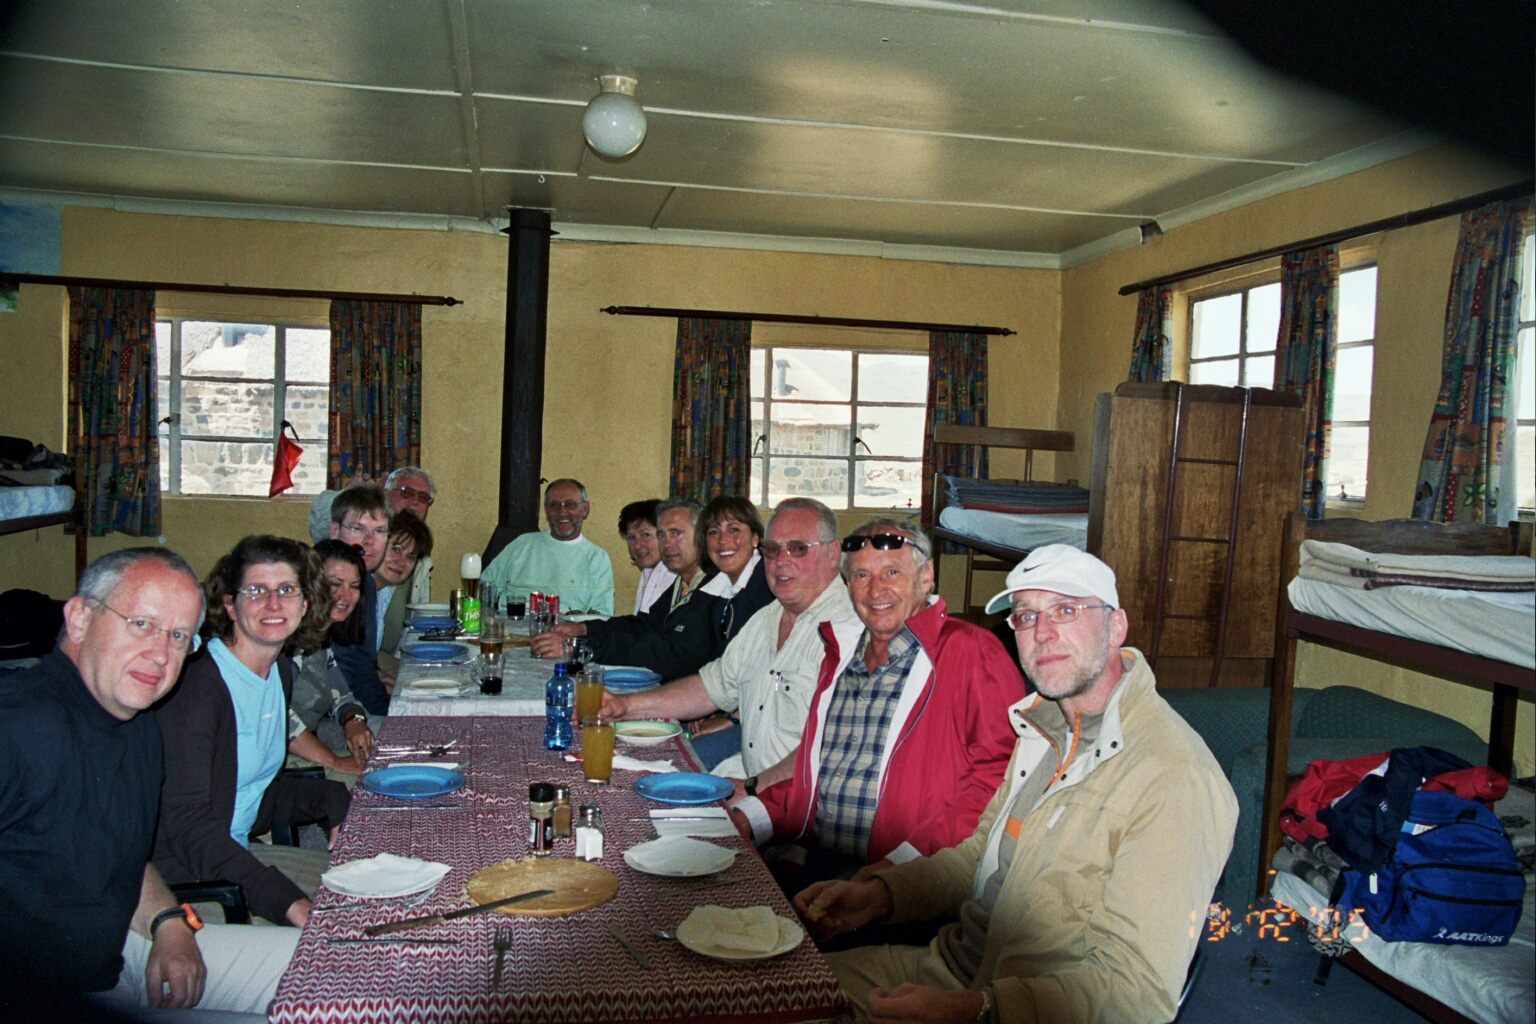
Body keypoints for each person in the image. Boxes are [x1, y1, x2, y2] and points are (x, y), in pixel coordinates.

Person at [798, 545, 1239, 1024]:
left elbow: (1136, 993)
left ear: (1116, 627)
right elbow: (977, 860)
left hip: (1022, 1006)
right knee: (766, 991)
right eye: (1025, 616)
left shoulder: (1173, 776)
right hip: (950, 968)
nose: (1042, 633)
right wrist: (882, 895)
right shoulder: (1043, 729)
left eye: (1065, 611)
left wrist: (979, 1010)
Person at [0, 548, 298, 1019]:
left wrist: (168, 921)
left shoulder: (137, 721)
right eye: (140, 624)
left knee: (339, 967)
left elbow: (123, 855)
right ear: (79, 619)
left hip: (127, 950)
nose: (160, 654)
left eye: (178, 636)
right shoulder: (19, 723)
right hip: (44, 996)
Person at [730, 519, 1026, 887]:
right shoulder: (839, 657)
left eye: (892, 572)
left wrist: (897, 869)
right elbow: (817, 780)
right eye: (861, 576)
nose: (875, 590)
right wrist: (747, 817)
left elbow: (998, 781)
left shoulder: (971, 652)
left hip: (911, 878)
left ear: (925, 577)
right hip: (819, 863)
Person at [153, 535, 351, 928]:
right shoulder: (198, 688)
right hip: (184, 885)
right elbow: (188, 829)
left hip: (232, 858)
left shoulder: (274, 671)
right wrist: (284, 899)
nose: (274, 604)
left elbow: (248, 793)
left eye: (287, 590)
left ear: (306, 602)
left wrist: (333, 796)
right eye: (256, 590)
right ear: (229, 603)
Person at [601, 497, 857, 793]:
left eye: (798, 548)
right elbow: (711, 686)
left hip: (803, 802)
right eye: (773, 550)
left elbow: (832, 747)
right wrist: (623, 705)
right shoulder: (766, 620)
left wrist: (751, 791)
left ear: (833, 553)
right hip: (751, 774)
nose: (782, 561)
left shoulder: (847, 629)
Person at [533, 498, 722, 679]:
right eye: (662, 535)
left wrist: (581, 648)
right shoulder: (681, 584)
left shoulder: (715, 588)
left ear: (702, 535)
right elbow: (643, 625)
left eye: (676, 533)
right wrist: (584, 630)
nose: (667, 544)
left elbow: (670, 652)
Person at [288, 539, 378, 773]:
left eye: (354, 586)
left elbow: (342, 697)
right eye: (334, 584)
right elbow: (276, 718)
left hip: (314, 743)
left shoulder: (319, 639)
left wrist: (354, 722)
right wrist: (334, 762)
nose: (345, 596)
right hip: (284, 763)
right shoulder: (287, 641)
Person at [480, 478, 615, 615]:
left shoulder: (597, 558)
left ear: (585, 509)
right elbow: (485, 588)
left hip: (566, 633)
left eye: (570, 504)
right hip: (510, 630)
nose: (562, 512)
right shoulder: (522, 544)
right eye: (554, 505)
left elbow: (601, 614)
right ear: (546, 510)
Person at [309, 467, 436, 604]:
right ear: (386, 494)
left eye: (423, 497)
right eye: (407, 493)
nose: (415, 501)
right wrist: (351, 497)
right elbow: (320, 521)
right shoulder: (360, 546)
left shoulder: (420, 556)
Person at [327, 484, 392, 715]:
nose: (369, 540)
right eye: (358, 528)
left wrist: (390, 715)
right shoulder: (319, 581)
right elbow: (338, 680)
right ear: (334, 531)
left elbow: (363, 671)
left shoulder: (367, 584)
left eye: (380, 531)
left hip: (351, 706)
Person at [373, 509, 433, 683]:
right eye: (396, 549)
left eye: (410, 557)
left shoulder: (383, 592)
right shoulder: (357, 588)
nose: (401, 562)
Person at [620, 498, 675, 613]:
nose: (638, 545)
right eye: (631, 537)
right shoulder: (648, 572)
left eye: (645, 535)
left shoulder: (672, 575)